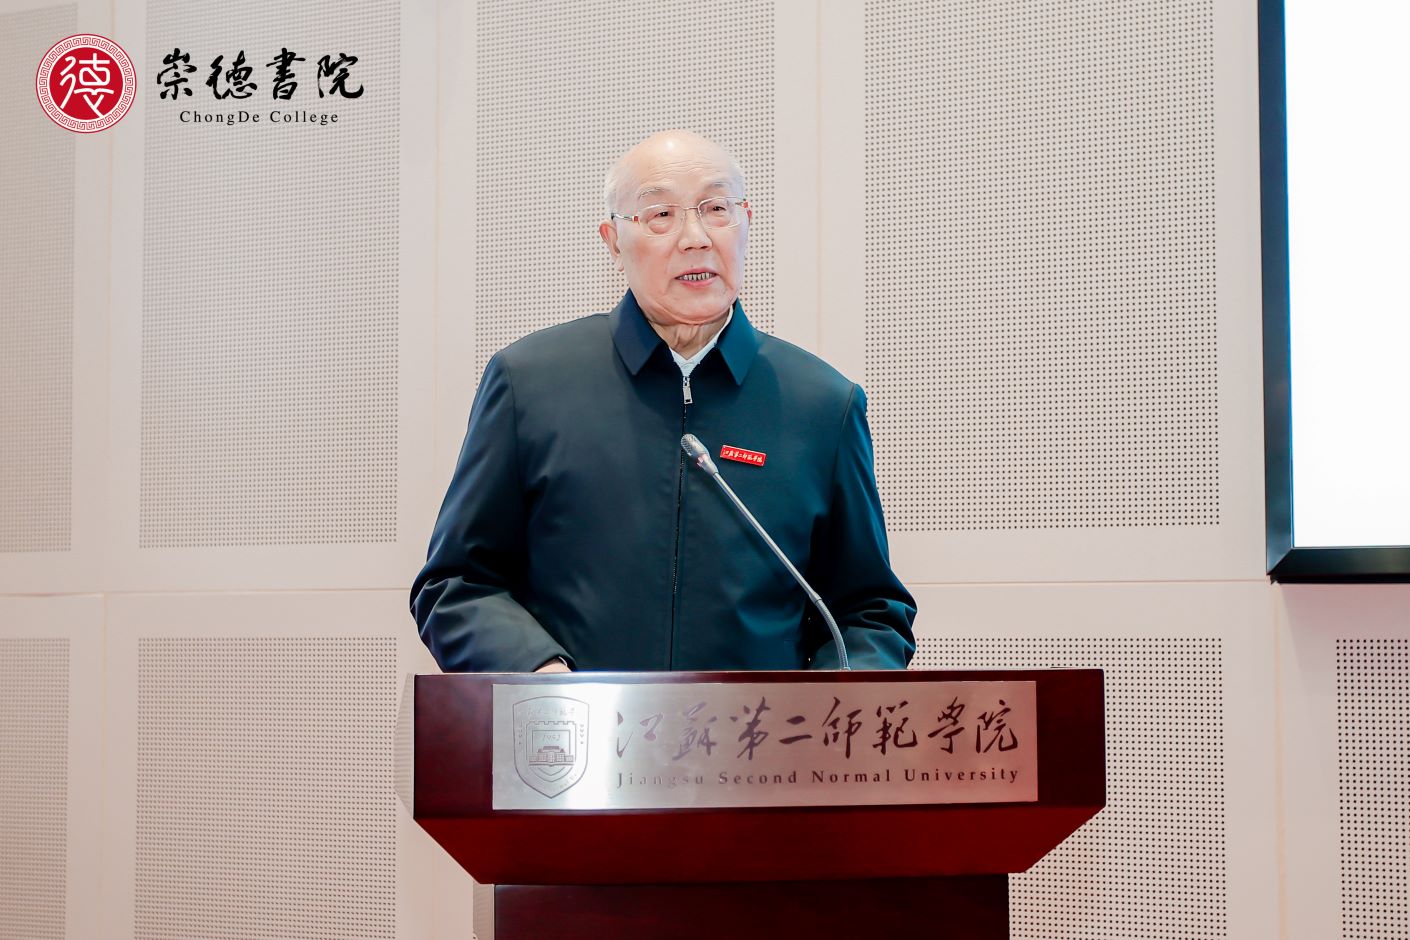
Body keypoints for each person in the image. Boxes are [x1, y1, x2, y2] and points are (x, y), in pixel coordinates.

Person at [411, 130, 915, 673]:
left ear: (746, 223)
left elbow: (869, 614)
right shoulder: (529, 382)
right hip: (570, 725)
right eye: (661, 216)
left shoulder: (822, 403)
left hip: (757, 729)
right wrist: (540, 677)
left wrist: (822, 706)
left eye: (716, 209)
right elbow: (456, 585)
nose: (695, 238)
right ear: (613, 241)